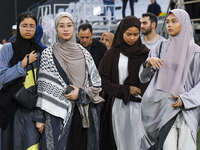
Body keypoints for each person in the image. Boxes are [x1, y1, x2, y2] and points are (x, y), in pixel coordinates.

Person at [34, 12, 104, 150]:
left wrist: (81, 93)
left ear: (74, 28)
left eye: (69, 25)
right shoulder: (48, 54)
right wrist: (40, 118)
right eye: (61, 26)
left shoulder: (85, 54)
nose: (66, 29)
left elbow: (97, 85)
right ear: (56, 28)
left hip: (82, 114)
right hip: (56, 114)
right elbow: (42, 89)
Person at [139, 9, 200, 150]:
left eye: (174, 21)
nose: (169, 25)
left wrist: (185, 99)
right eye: (167, 22)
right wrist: (148, 63)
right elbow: (143, 77)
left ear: (184, 24)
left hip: (187, 111)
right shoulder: (159, 48)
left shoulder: (196, 52)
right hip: (163, 109)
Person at [99, 16, 149, 150]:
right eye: (128, 34)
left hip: (140, 108)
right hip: (116, 105)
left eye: (135, 34)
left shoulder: (145, 54)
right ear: (121, 33)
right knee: (119, 141)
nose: (132, 38)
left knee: (138, 143)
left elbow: (150, 80)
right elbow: (102, 81)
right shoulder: (112, 54)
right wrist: (125, 90)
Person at [0, 12, 43, 150]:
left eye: (32, 26)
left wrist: (40, 117)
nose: (28, 29)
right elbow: (1, 77)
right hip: (9, 110)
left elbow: (43, 87)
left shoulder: (41, 53)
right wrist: (22, 65)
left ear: (36, 28)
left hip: (31, 111)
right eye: (24, 25)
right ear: (18, 27)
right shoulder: (8, 49)